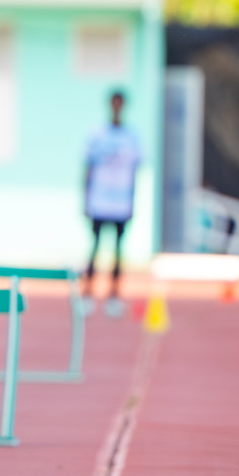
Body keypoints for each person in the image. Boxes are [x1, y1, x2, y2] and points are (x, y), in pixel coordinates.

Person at [83, 90, 141, 318]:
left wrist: (132, 202)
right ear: (109, 104)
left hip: (121, 202)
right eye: (114, 103)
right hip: (99, 200)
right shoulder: (97, 134)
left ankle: (114, 297)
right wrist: (85, 200)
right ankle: (87, 294)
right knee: (95, 249)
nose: (117, 106)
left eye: (120, 103)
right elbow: (87, 167)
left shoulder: (132, 136)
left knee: (118, 251)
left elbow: (135, 171)